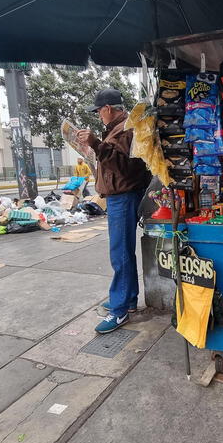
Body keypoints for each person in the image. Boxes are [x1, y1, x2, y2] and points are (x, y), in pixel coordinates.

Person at [77, 88, 151, 334]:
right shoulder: (117, 129)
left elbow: (126, 167)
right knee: (122, 251)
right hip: (120, 196)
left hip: (125, 196)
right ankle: (127, 299)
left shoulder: (126, 129)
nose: (99, 115)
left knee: (119, 253)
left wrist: (96, 145)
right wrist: (94, 149)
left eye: (99, 111)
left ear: (108, 109)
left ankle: (119, 310)